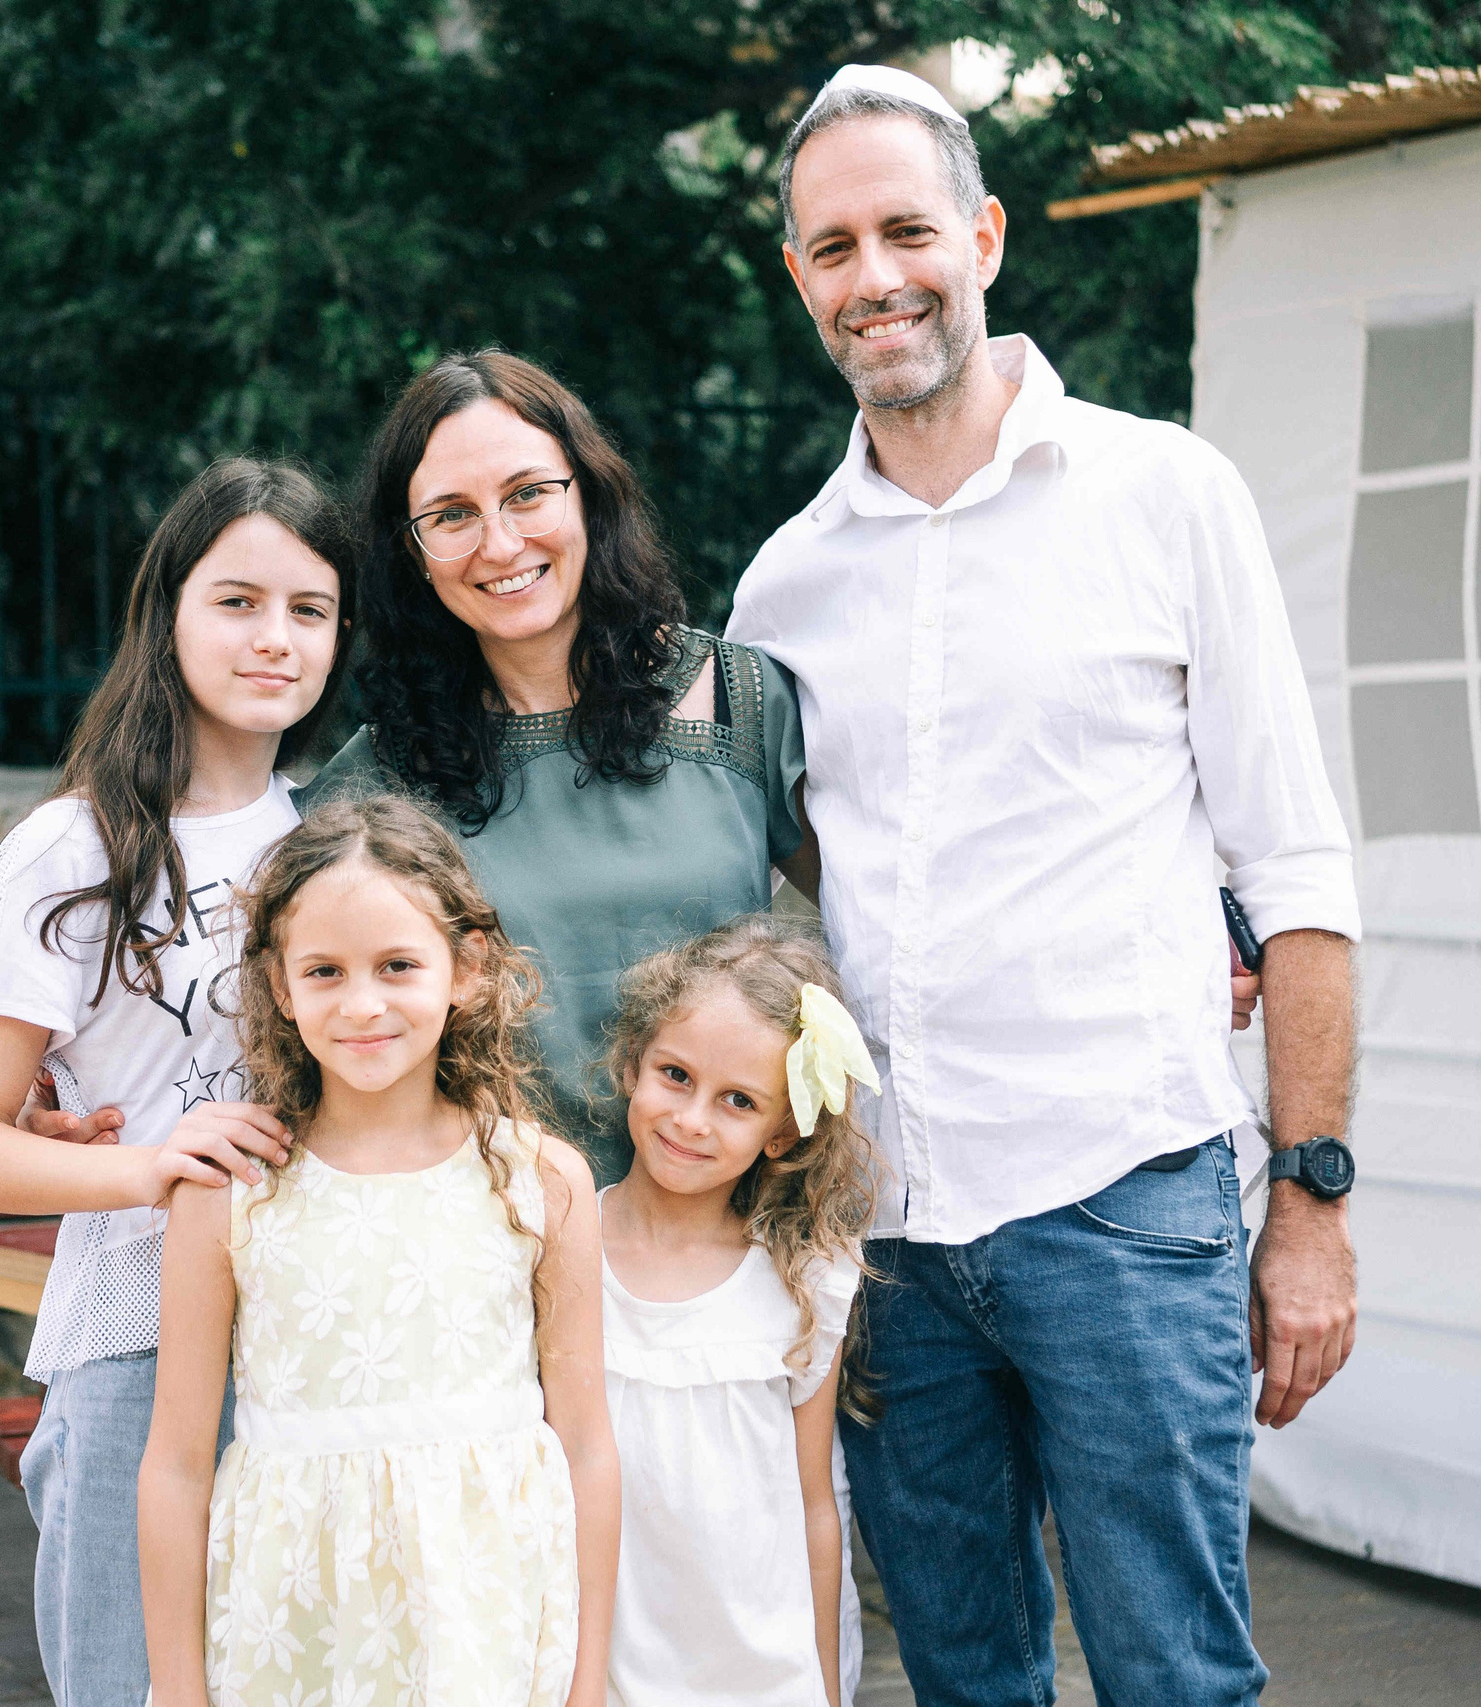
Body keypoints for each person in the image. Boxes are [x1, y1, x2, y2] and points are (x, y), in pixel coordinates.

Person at [725, 64, 1364, 1707]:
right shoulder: (787, 584)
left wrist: (1311, 1204)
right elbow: (797, 883)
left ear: (986, 236)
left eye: (908, 230)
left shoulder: (1167, 494)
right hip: (889, 1235)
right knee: (964, 1679)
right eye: (833, 246)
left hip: (1122, 1197)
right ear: (799, 278)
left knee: (1175, 1677)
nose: (876, 275)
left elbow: (1294, 869)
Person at [0, 459, 346, 1707]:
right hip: (138, 1338)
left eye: (310, 611)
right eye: (238, 601)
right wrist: (145, 1166)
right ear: (168, 612)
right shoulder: (71, 849)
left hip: (329, 1337)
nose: (275, 639)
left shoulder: (338, 829)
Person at [137, 793, 620, 1707]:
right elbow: (174, 1464)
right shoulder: (231, 1191)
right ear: (281, 987)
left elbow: (586, 1448)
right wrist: (181, 1691)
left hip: (488, 1630)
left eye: (398, 964)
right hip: (294, 1636)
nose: (363, 1004)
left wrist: (586, 1683)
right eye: (325, 970)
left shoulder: (541, 1180)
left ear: (467, 969)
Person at [306, 351, 808, 1183]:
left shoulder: (739, 698)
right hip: (501, 1247)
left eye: (529, 493)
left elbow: (883, 935)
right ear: (411, 552)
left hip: (728, 1256)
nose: (500, 542)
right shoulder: (377, 785)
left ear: (591, 492)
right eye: (451, 514)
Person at [594, 915, 878, 1707]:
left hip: (755, 1670)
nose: (691, 1119)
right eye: (675, 1075)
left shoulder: (802, 1284)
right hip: (608, 1662)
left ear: (782, 1132)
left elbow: (816, 1507)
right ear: (633, 1063)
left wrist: (823, 1685)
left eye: (737, 1100)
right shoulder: (563, 1248)